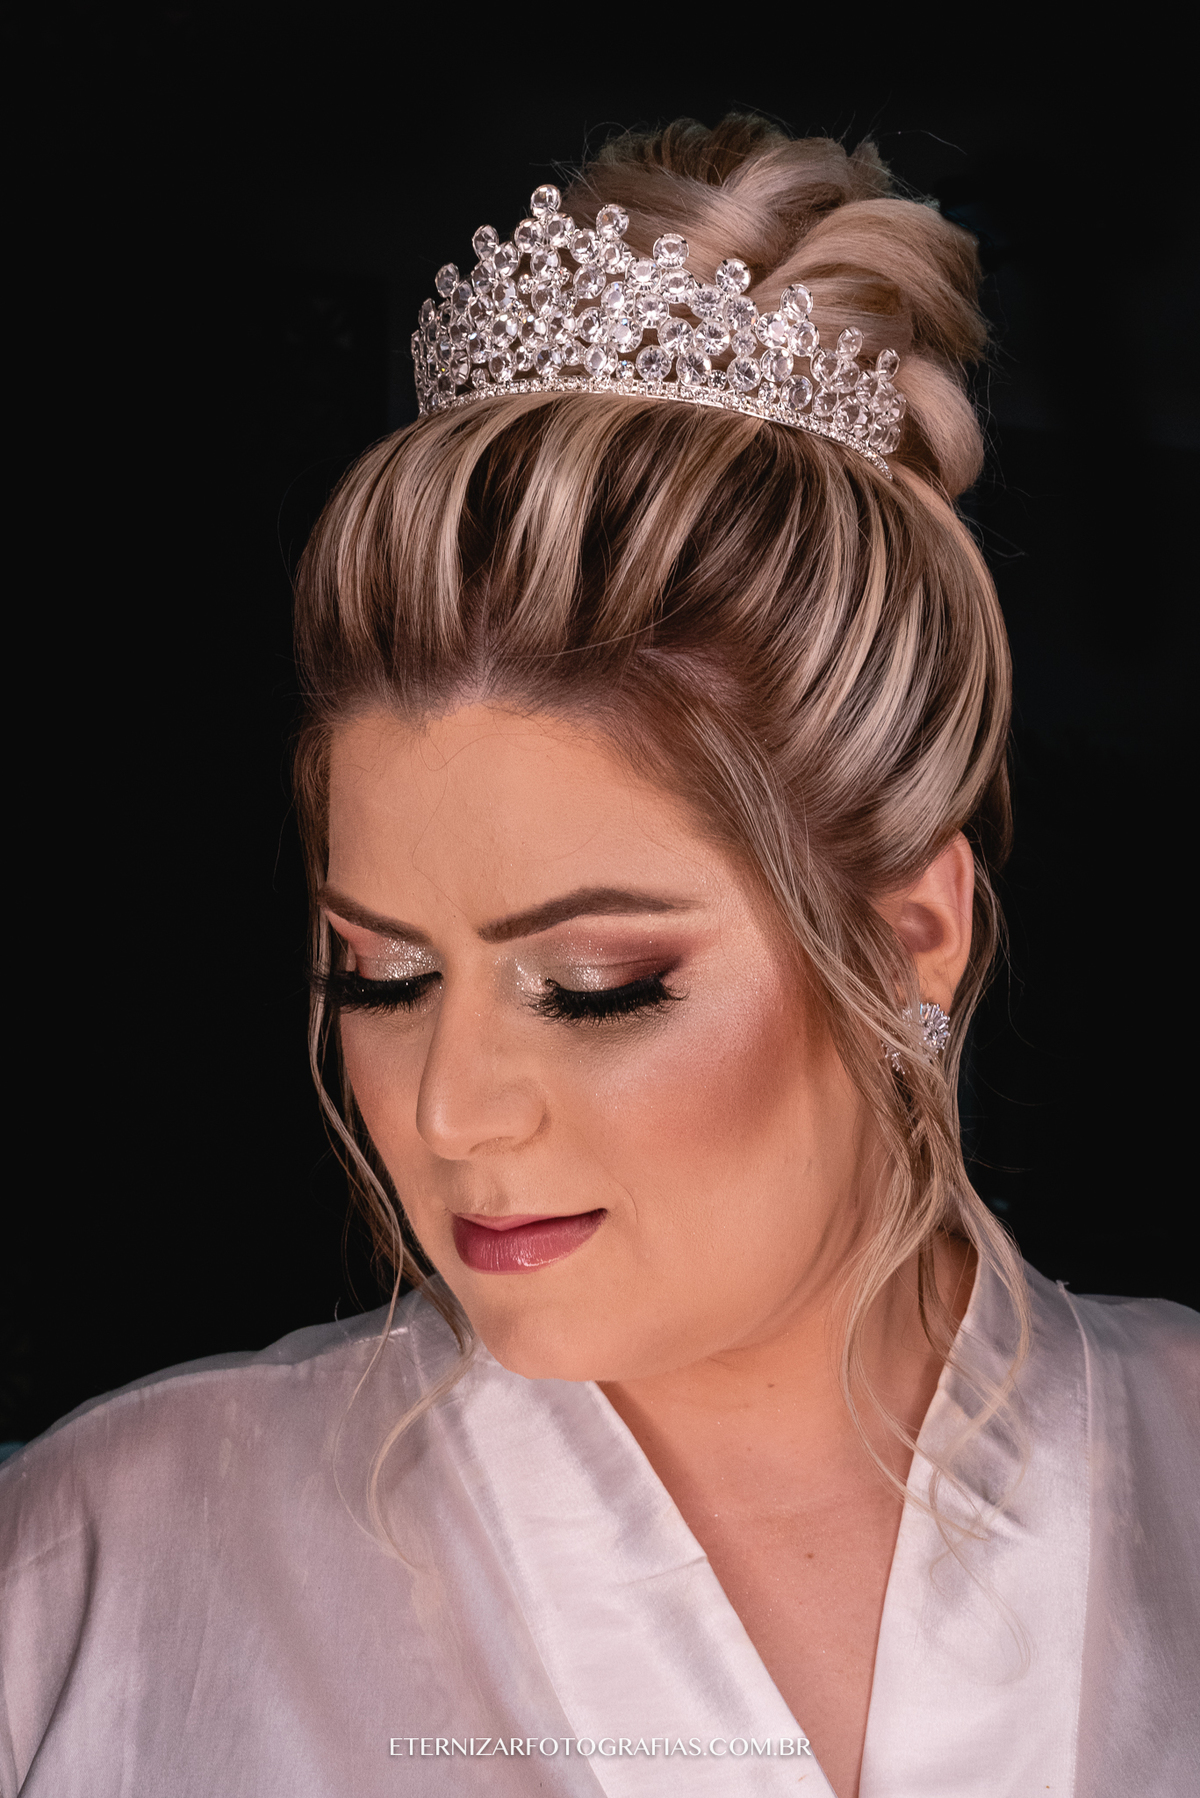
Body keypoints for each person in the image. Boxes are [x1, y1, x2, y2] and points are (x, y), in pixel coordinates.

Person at [2, 115, 1196, 1798]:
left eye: (595, 986)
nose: (452, 1110)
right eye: (383, 975)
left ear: (908, 940)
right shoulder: (101, 1564)